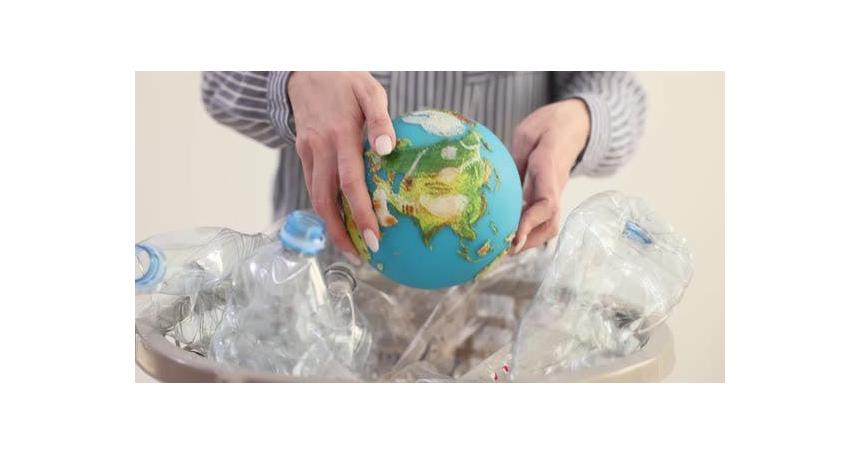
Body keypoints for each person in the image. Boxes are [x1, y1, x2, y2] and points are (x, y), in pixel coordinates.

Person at [201, 71, 645, 264]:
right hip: (324, 310)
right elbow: (218, 79)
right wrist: (291, 81)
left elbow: (619, 90)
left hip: (495, 330)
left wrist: (582, 120)